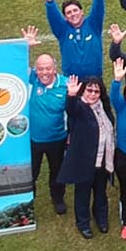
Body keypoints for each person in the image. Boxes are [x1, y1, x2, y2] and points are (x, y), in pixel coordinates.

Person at [63, 74, 115, 239]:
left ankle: (101, 218)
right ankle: (83, 223)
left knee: (101, 192)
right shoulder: (79, 107)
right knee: (82, 194)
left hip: (102, 161)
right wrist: (71, 95)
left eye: (96, 91)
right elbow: (70, 109)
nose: (92, 94)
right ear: (82, 91)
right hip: (84, 161)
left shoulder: (103, 108)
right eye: (89, 90)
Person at [27, 46, 69, 217]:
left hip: (57, 139)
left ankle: (58, 198)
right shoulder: (32, 80)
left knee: (57, 172)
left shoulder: (66, 85)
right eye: (40, 68)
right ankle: (28, 201)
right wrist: (27, 48)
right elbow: (19, 63)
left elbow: (74, 112)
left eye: (47, 68)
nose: (44, 72)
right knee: (31, 173)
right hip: (33, 139)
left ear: (55, 68)